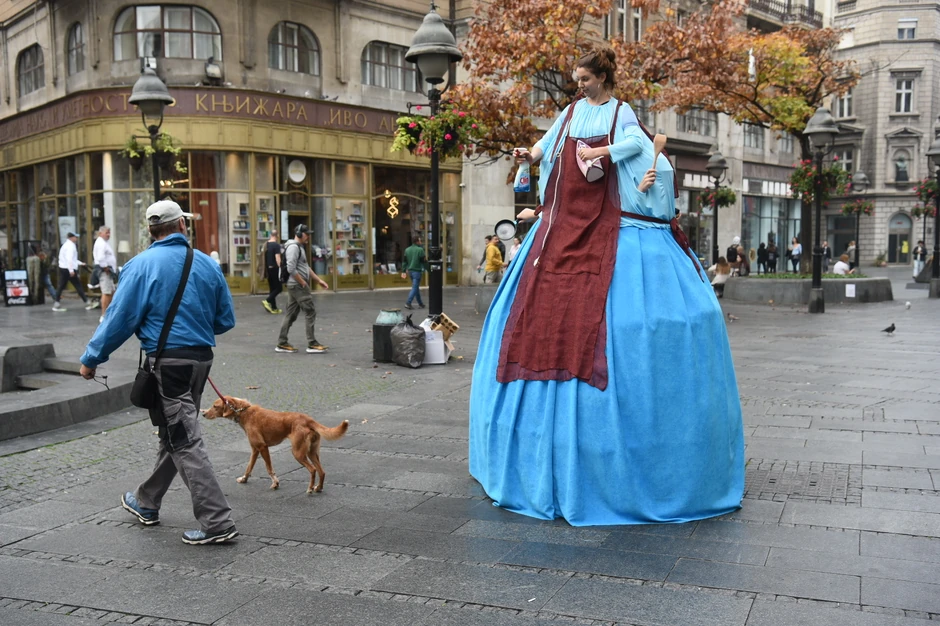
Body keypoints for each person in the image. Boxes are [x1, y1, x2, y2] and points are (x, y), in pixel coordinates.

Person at [469, 48, 743, 526]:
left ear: (602, 77)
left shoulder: (622, 113)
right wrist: (527, 154)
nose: (578, 86)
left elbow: (636, 146)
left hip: (607, 218)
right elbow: (546, 143)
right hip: (562, 221)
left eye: (584, 78)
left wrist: (600, 152)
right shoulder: (571, 111)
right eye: (575, 78)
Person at [79, 200, 238, 545]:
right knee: (176, 430)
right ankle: (146, 501)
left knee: (185, 438)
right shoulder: (207, 265)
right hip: (200, 362)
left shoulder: (139, 265)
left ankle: (217, 522)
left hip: (169, 365)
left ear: (151, 231)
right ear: (182, 225)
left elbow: (119, 319)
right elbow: (225, 320)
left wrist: (92, 358)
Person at [276, 224, 330, 354]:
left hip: (295, 284)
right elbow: (291, 268)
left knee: (291, 314)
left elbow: (306, 267)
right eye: (307, 234)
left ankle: (282, 342)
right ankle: (312, 343)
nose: (308, 237)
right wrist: (302, 283)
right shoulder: (294, 248)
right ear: (299, 234)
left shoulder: (299, 247)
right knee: (310, 311)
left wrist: (319, 280)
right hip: (297, 285)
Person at [53, 231, 95, 311]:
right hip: (68, 269)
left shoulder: (66, 245)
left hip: (64, 268)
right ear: (71, 237)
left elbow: (72, 259)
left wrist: (80, 263)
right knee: (77, 285)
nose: (76, 238)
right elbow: (69, 259)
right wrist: (71, 270)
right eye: (75, 237)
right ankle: (87, 301)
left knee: (61, 286)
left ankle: (56, 303)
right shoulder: (70, 246)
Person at [93, 226, 118, 324]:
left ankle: (109, 313)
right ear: (100, 233)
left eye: (109, 232)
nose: (108, 235)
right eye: (106, 233)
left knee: (111, 291)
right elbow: (100, 258)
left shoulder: (104, 243)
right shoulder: (100, 243)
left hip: (108, 270)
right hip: (104, 271)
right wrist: (105, 267)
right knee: (106, 292)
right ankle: (104, 315)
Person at [401, 235, 427, 310]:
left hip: (410, 271)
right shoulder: (420, 250)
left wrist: (403, 270)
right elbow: (423, 261)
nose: (421, 242)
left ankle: (420, 303)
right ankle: (408, 302)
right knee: (415, 287)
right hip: (417, 271)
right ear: (417, 241)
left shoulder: (407, 250)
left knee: (416, 287)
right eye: (420, 241)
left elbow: (405, 261)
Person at [263, 230, 283, 314]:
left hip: (268, 269)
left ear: (271, 235)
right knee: (279, 288)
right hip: (274, 269)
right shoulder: (276, 245)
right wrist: (281, 267)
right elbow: (277, 258)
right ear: (277, 235)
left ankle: (274, 308)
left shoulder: (266, 244)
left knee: (272, 288)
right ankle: (267, 301)